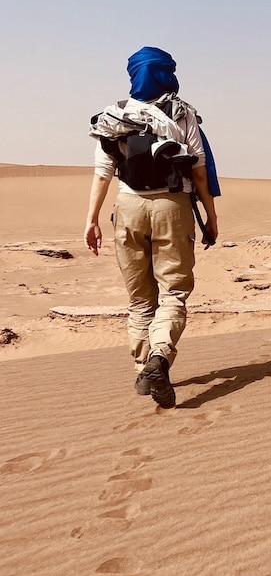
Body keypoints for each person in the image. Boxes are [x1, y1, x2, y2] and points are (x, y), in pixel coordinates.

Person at [84, 47, 219, 408]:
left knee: (140, 299)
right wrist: (210, 215)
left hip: (127, 208)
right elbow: (199, 170)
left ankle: (143, 366)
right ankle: (159, 356)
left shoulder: (114, 115)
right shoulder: (182, 112)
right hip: (172, 206)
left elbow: (103, 172)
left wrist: (91, 219)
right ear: (166, 74)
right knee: (174, 291)